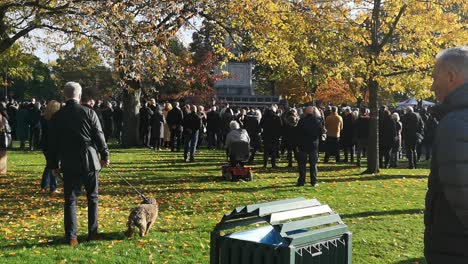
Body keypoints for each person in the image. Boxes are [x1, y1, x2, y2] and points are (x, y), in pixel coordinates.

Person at [47, 82, 109, 246]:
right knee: (92, 198)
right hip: (89, 159)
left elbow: (52, 144)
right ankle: (92, 233)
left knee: (70, 200)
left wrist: (53, 165)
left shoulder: (57, 116)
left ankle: (72, 237)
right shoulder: (89, 112)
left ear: (65, 95)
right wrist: (105, 155)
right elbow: (99, 136)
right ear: (79, 95)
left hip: (69, 160)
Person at [424, 46, 468, 263]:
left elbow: (462, 191)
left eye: (435, 78)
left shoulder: (455, 123)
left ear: (451, 77)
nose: (432, 85)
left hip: (454, 245)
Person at [295, 106, 322, 187]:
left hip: (302, 145)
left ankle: (301, 181)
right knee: (313, 164)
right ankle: (313, 181)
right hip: (313, 145)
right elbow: (320, 133)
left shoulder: (301, 121)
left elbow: (297, 133)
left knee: (302, 165)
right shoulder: (317, 121)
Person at [40, 100, 61, 194]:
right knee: (53, 165)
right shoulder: (56, 120)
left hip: (45, 144)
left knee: (49, 165)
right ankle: (53, 186)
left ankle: (44, 185)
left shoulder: (44, 118)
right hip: (53, 144)